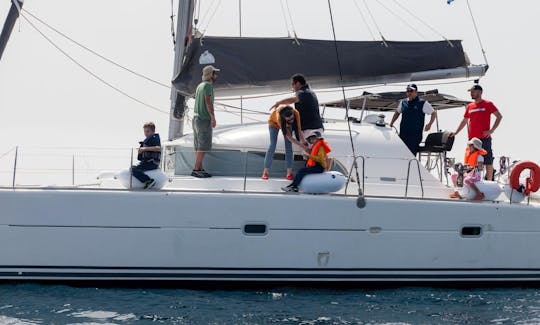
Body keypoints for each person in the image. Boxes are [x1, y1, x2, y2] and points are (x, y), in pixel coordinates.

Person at [450, 84, 502, 181]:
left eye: (473, 91)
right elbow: (464, 121)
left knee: (488, 161)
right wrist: (456, 132)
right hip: (472, 140)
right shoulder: (470, 106)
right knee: (470, 162)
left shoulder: (488, 104)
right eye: (471, 92)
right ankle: (470, 181)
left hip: (484, 139)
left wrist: (491, 130)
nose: (471, 94)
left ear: (480, 92)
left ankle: (489, 182)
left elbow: (499, 116)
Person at [390, 84, 437, 156]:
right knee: (401, 154)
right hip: (403, 134)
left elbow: (433, 113)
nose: (409, 92)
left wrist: (429, 124)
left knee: (411, 155)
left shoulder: (422, 103)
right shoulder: (403, 102)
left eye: (411, 91)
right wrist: (391, 123)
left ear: (416, 92)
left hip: (415, 136)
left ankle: (412, 167)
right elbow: (397, 113)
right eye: (407, 91)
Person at [262, 105, 305, 180]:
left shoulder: (296, 113)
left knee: (288, 147)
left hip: (287, 125)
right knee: (272, 145)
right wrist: (302, 145)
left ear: (292, 113)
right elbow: (289, 137)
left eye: (292, 118)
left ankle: (289, 173)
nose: (291, 120)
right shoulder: (279, 118)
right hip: (273, 124)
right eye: (289, 120)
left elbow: (299, 129)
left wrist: (304, 142)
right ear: (284, 118)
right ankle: (265, 172)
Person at [192, 65, 219, 178]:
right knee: (203, 146)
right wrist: (212, 117)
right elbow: (208, 102)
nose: (216, 75)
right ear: (211, 75)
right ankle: (196, 169)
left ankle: (200, 168)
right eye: (214, 73)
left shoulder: (200, 86)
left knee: (198, 146)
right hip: (203, 119)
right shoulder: (208, 86)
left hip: (196, 119)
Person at [131, 122, 161, 189]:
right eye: (144, 131)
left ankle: (148, 181)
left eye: (148, 131)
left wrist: (144, 148)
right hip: (147, 162)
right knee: (133, 167)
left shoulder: (154, 137)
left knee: (133, 169)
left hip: (151, 163)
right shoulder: (150, 139)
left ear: (153, 131)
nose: (146, 133)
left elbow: (158, 148)